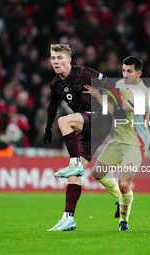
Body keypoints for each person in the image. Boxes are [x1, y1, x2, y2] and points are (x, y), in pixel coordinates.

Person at [44, 44, 109, 231]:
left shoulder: (84, 73)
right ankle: (68, 218)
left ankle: (73, 162)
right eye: (53, 58)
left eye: (59, 58)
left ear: (69, 60)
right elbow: (52, 107)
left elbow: (110, 84)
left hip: (99, 119)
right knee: (75, 176)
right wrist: (47, 128)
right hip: (86, 125)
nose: (56, 62)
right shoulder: (56, 84)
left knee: (65, 121)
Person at [84, 56, 150, 231]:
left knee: (123, 183)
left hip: (135, 143)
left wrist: (98, 95)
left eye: (129, 71)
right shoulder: (121, 84)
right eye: (123, 70)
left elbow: (119, 113)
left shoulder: (141, 94)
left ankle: (124, 221)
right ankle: (119, 198)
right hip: (118, 139)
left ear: (139, 73)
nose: (125, 74)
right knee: (97, 172)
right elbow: (111, 93)